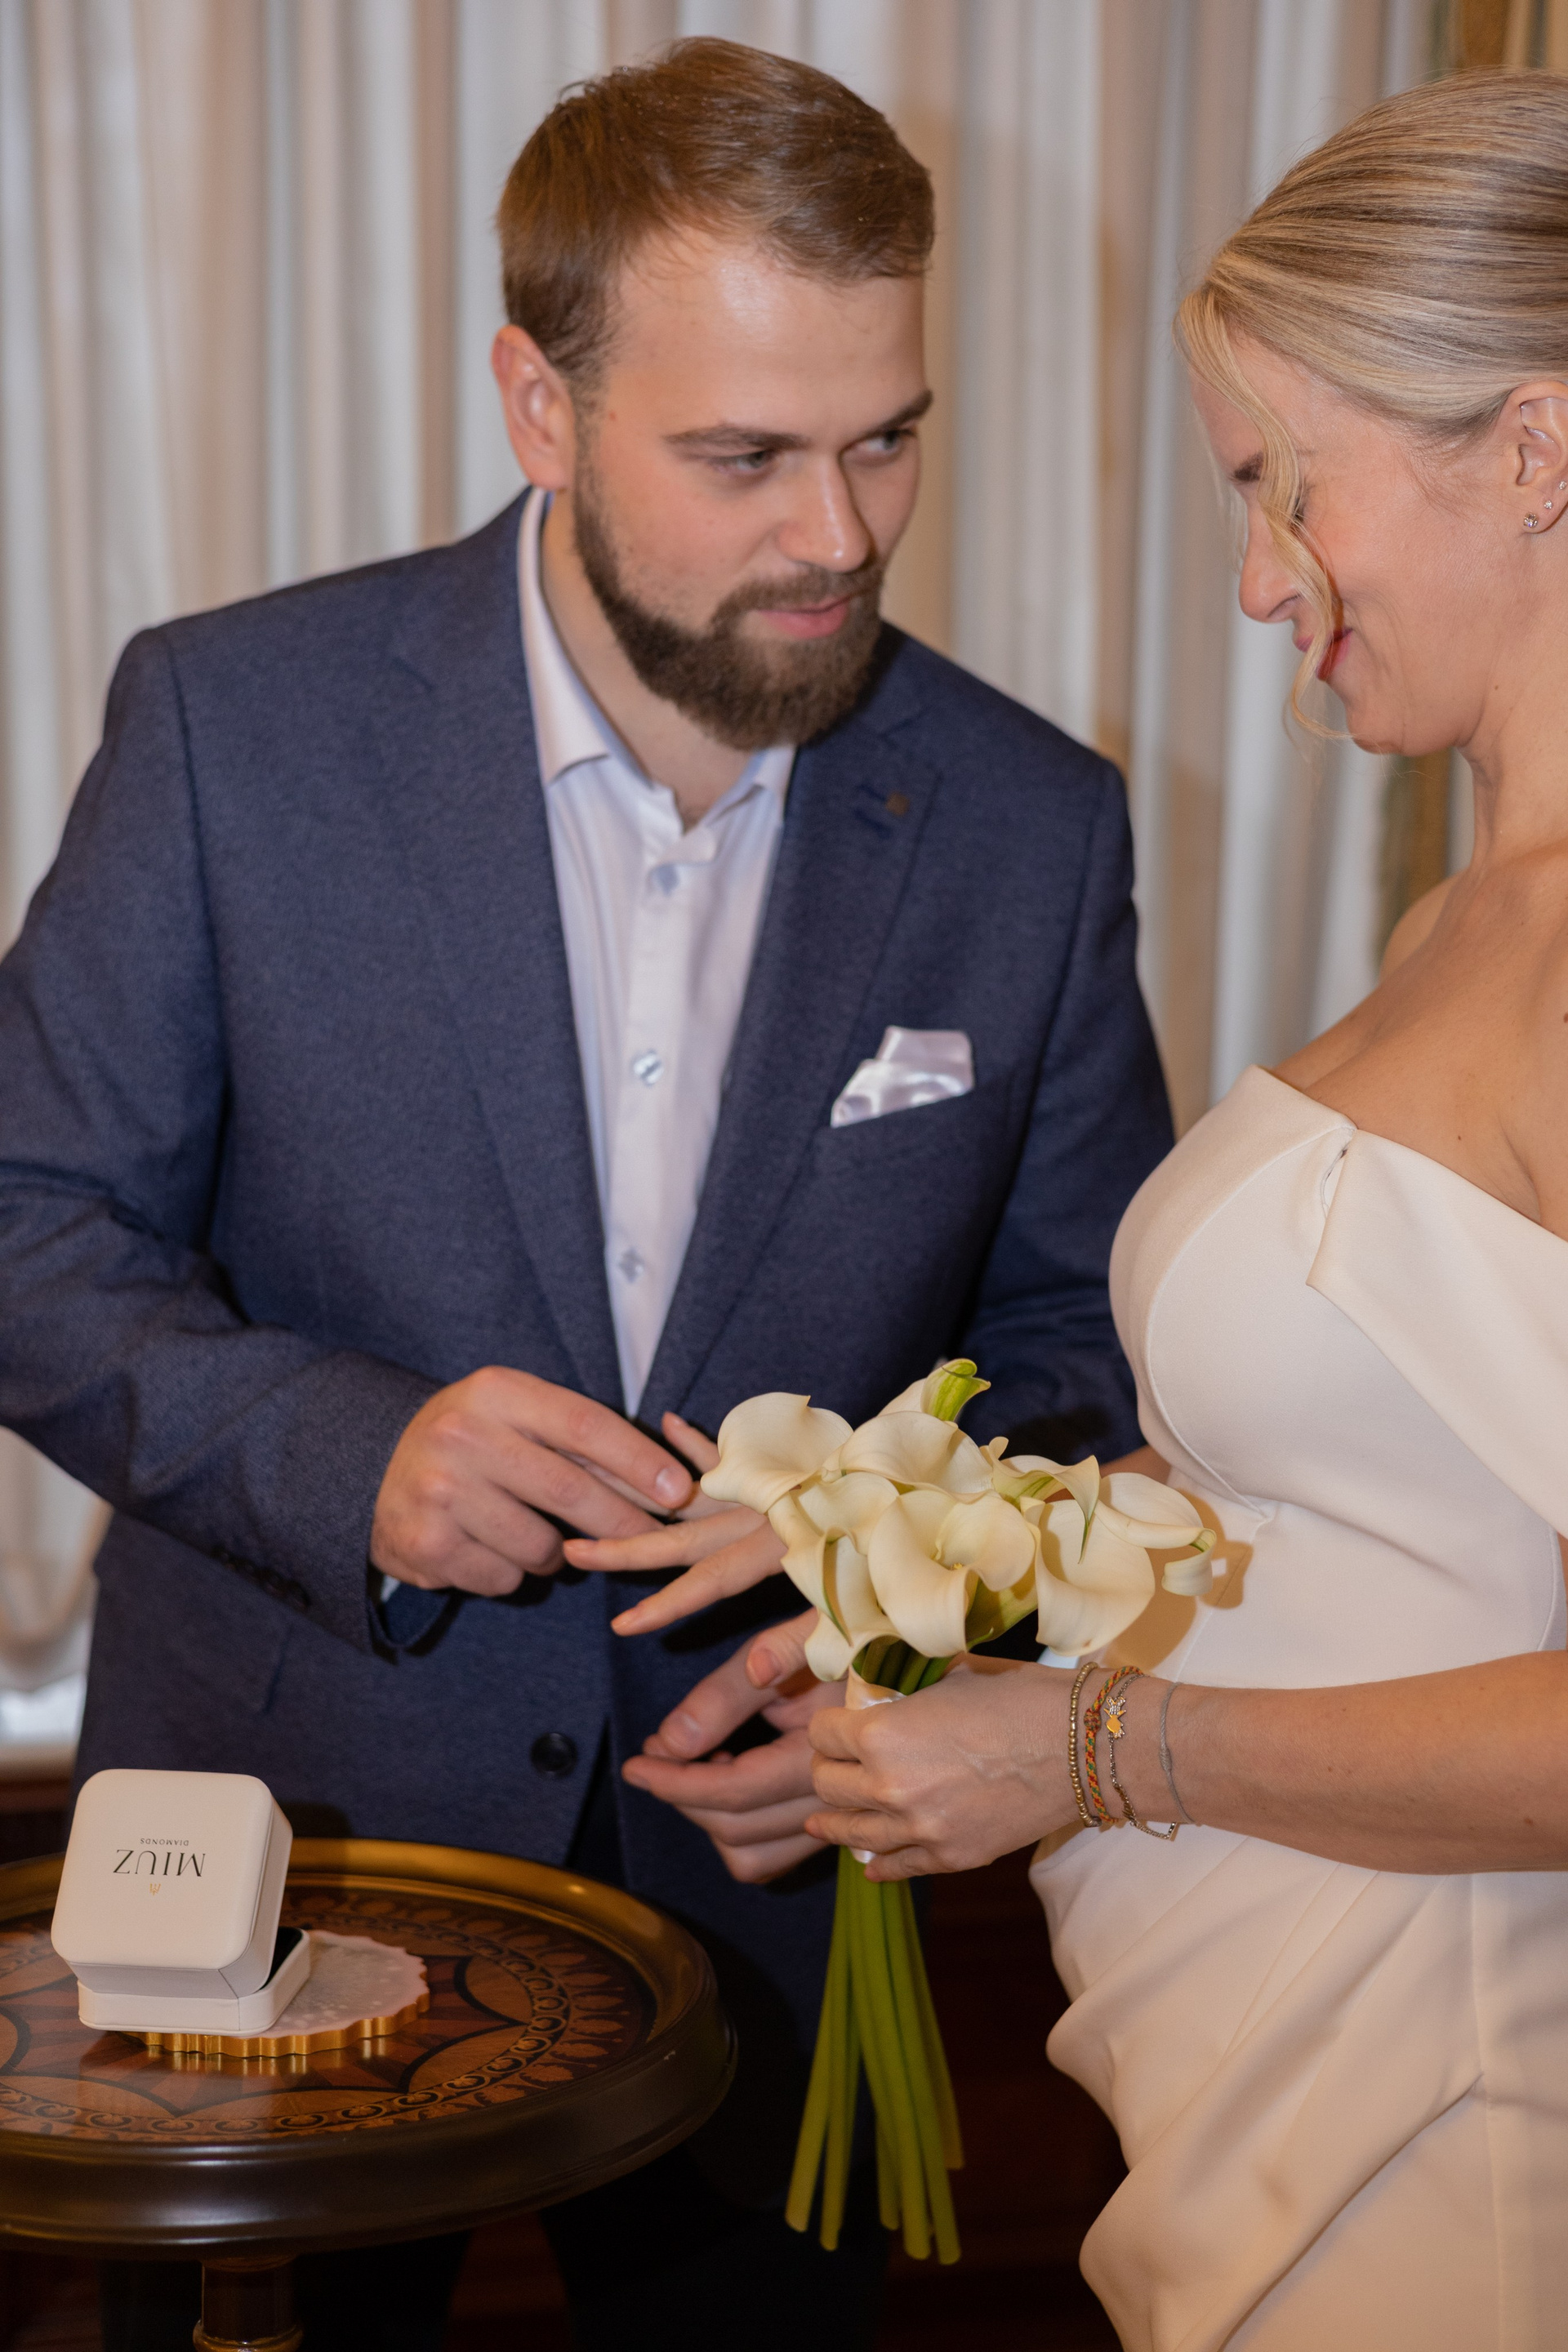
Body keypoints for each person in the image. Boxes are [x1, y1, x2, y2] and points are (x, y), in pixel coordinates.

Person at [0, 38, 1171, 2352]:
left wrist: (884, 1602)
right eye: (743, 455)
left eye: (886, 437)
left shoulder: (1035, 825)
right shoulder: (233, 731)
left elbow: (1086, 1364)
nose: (837, 534)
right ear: (538, 402)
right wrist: (353, 1454)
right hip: (280, 1856)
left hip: (781, 1878)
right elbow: (30, 1228)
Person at [765, 68, 1568, 2352]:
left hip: (1453, 2109)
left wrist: (1101, 1750)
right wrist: (957, 1551)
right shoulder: (1459, 923)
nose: (1256, 582)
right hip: (1288, 2089)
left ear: (1533, 448)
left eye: (1282, 488)